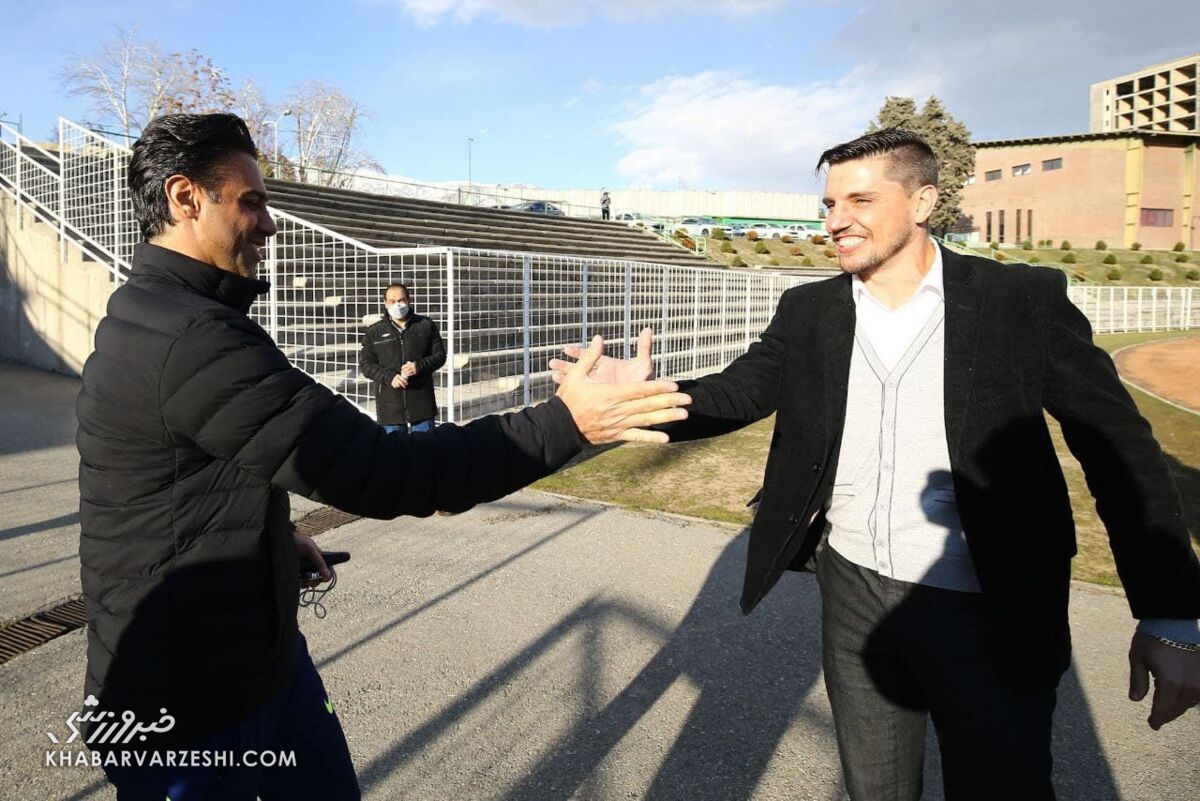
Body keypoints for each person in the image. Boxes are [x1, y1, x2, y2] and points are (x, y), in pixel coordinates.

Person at [551, 129, 1200, 799]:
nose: (836, 221)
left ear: (922, 201)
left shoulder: (1020, 301)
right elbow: (741, 390)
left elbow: (1118, 446)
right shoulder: (809, 309)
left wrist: (1171, 617)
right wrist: (651, 399)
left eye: (859, 199)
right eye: (828, 204)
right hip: (854, 592)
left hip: (991, 601)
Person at [76, 112, 690, 801]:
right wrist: (568, 420)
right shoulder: (189, 338)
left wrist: (270, 534)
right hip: (189, 711)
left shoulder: (167, 316)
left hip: (258, 667)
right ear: (185, 199)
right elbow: (383, 469)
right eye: (251, 200)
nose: (270, 223)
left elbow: (173, 484)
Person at [359, 281, 445, 434]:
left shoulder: (426, 325)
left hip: (421, 404)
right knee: (394, 453)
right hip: (390, 407)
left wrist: (419, 366)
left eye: (401, 300)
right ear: (385, 303)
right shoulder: (374, 332)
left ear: (408, 300)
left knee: (426, 450)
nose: (397, 305)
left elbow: (439, 356)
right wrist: (388, 377)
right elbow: (366, 364)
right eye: (392, 301)